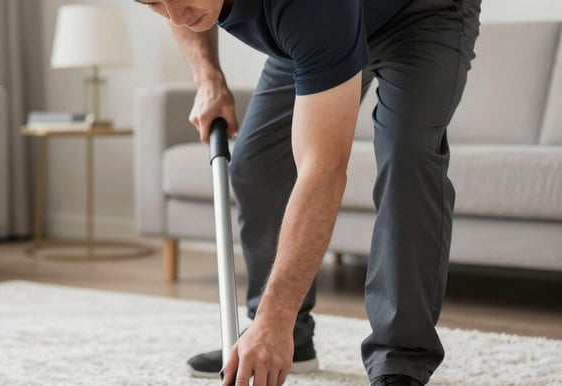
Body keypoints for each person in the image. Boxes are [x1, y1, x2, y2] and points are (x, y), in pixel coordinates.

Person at [136, 0, 481, 384]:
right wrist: (208, 78)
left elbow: (324, 170)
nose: (176, 15)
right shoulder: (186, 6)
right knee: (258, 160)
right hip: (318, 30)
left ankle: (400, 359)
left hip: (422, 13)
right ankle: (288, 338)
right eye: (153, 2)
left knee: (407, 157)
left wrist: (274, 317)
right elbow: (179, 12)